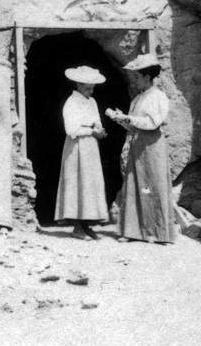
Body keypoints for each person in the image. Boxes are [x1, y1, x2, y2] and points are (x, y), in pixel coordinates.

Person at [107, 53, 175, 244]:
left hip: (152, 147)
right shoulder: (137, 99)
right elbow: (134, 125)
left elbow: (152, 123)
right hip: (137, 145)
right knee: (135, 186)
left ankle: (158, 233)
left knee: (152, 186)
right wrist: (122, 119)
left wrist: (129, 119)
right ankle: (133, 232)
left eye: (137, 77)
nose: (134, 81)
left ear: (147, 77)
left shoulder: (158, 97)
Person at [55, 66, 109, 240]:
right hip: (76, 146)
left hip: (91, 147)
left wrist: (99, 130)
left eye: (92, 87)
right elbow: (71, 129)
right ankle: (77, 226)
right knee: (77, 183)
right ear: (78, 85)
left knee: (89, 184)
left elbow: (97, 121)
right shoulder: (71, 103)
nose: (91, 90)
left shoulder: (91, 102)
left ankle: (87, 224)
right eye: (87, 87)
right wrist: (92, 132)